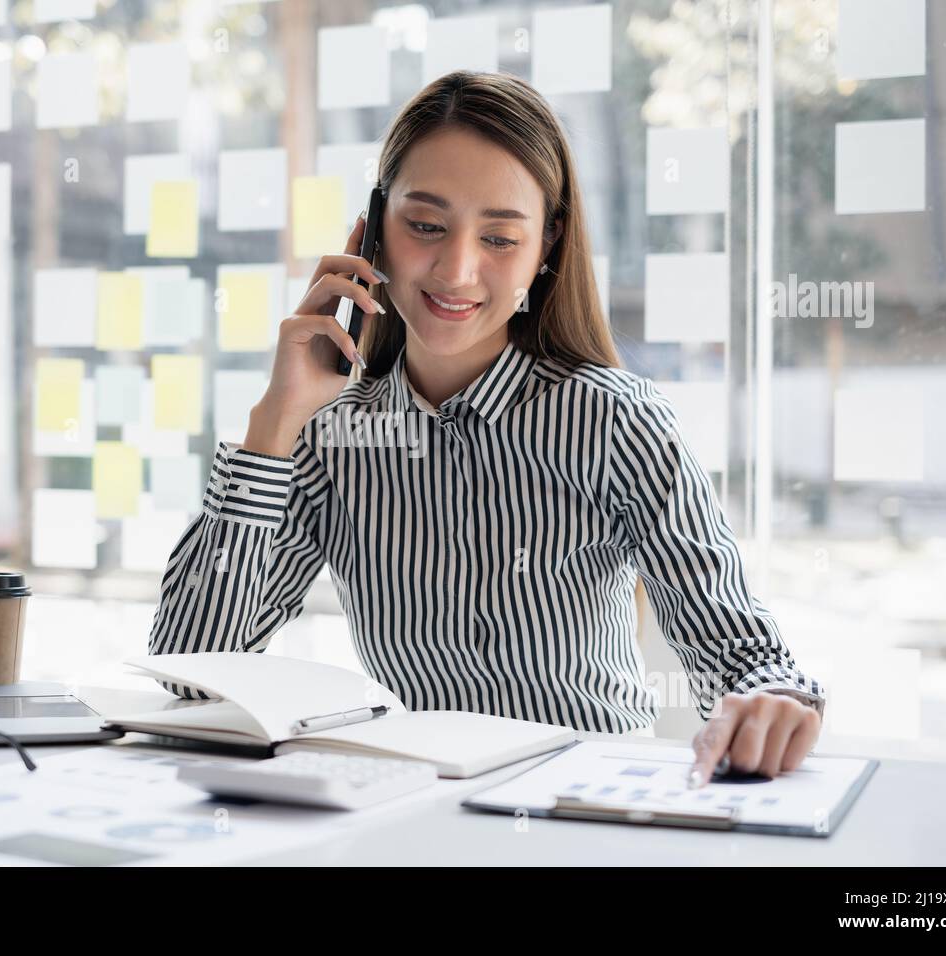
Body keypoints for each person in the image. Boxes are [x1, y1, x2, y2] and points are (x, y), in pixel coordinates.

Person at [149, 71, 824, 787]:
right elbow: (191, 676)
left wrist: (774, 703)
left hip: (582, 809)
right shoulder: (329, 438)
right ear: (375, 229)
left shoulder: (615, 421)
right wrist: (274, 425)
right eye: (425, 226)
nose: (458, 269)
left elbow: (743, 652)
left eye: (500, 237)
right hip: (413, 810)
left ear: (546, 247)